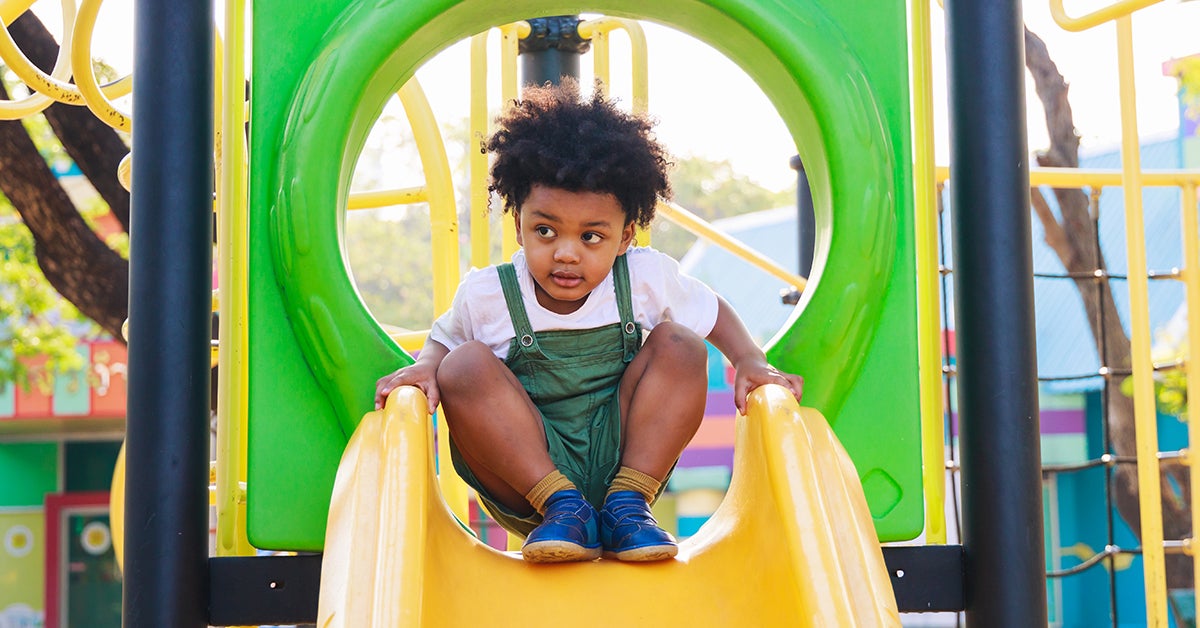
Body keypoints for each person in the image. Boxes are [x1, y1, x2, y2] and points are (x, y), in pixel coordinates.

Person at [374, 80, 804, 564]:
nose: (565, 252)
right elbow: (442, 340)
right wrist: (425, 367)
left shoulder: (644, 277)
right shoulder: (489, 293)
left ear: (625, 238)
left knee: (681, 344)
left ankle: (627, 506)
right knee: (461, 366)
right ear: (518, 225)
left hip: (624, 460)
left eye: (591, 237)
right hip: (527, 476)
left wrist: (749, 358)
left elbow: (710, 311)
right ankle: (563, 507)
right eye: (545, 230)